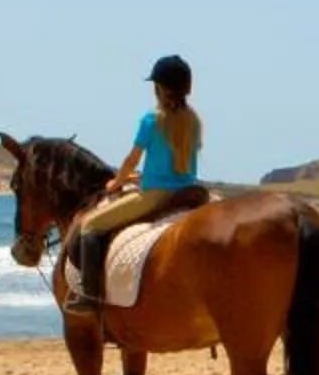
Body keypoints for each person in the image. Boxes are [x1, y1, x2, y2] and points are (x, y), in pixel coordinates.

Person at [62, 56, 209, 316]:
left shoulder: (152, 120)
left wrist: (117, 182)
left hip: (156, 196)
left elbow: (132, 158)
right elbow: (178, 164)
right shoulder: (195, 120)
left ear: (160, 87)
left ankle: (90, 294)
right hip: (189, 192)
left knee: (90, 226)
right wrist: (142, 177)